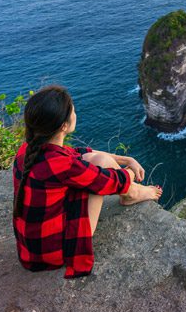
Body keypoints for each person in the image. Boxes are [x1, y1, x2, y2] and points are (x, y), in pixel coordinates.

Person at [12, 84, 162, 278]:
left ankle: (133, 193)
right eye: (73, 109)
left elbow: (78, 154)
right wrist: (131, 171)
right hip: (55, 252)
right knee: (101, 171)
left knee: (98, 162)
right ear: (64, 126)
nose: (75, 111)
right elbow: (110, 181)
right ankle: (134, 194)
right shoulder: (61, 165)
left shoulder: (27, 150)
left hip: (32, 250)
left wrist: (126, 159)